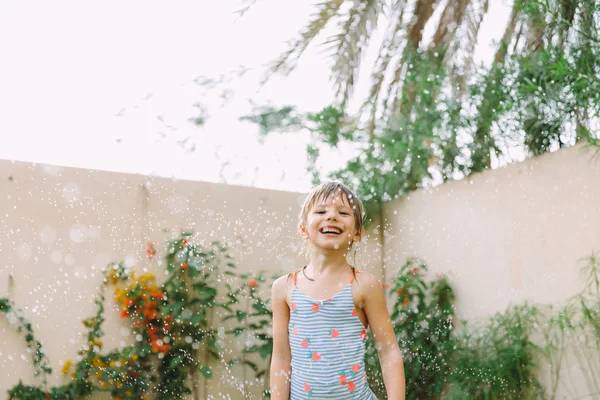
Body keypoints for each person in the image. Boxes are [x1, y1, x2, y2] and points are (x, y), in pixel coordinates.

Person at [270, 181, 406, 399]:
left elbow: (388, 352)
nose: (331, 217)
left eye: (343, 212)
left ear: (357, 232)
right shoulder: (284, 288)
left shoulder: (363, 285)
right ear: (303, 228)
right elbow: (281, 358)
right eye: (321, 211)